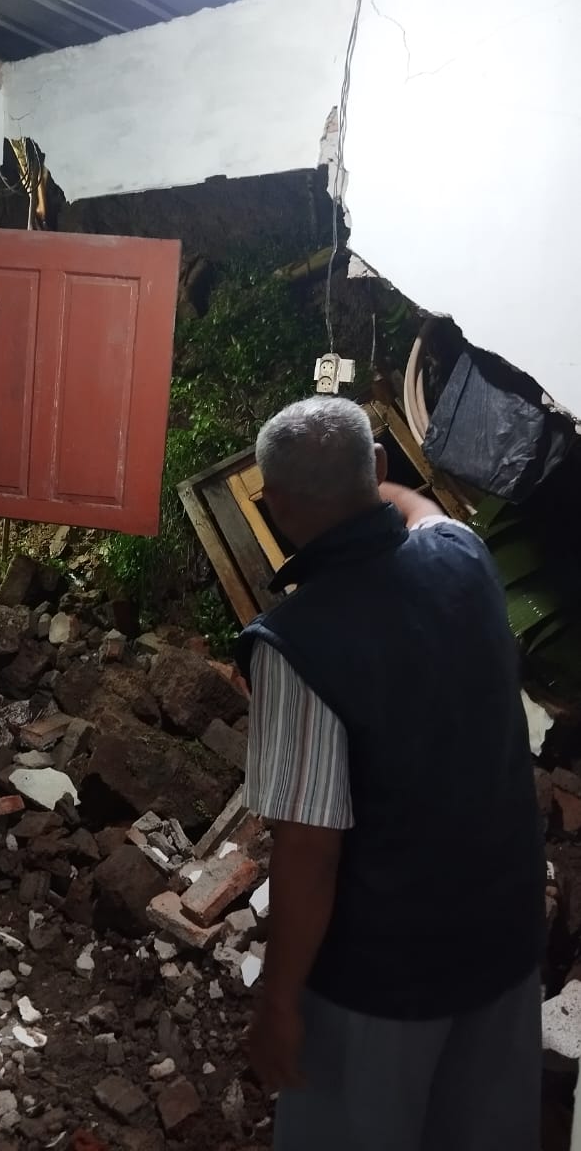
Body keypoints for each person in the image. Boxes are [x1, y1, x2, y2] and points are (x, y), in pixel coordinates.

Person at [237, 396, 545, 1151]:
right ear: (375, 465)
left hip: (382, 982)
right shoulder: (462, 554)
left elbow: (308, 851)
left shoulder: (295, 645)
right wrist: (376, 483)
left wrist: (279, 1003)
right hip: (503, 941)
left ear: (273, 504)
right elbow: (420, 512)